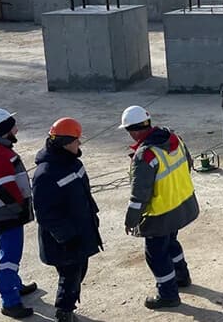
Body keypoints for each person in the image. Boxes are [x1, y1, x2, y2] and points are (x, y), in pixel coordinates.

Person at [119, 105, 199, 310]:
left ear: (134, 131)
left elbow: (139, 196)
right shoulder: (174, 139)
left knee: (156, 254)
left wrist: (131, 220)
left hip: (160, 213)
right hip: (182, 204)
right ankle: (181, 276)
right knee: (171, 242)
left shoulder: (145, 155)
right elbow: (187, 164)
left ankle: (168, 295)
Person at [32, 118, 103, 322]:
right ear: (64, 142)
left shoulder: (74, 163)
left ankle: (67, 306)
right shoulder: (45, 174)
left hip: (81, 231)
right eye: (76, 141)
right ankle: (64, 312)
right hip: (65, 240)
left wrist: (93, 216)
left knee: (79, 271)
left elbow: (85, 194)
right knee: (70, 275)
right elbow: (45, 213)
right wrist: (67, 237)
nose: (79, 144)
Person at [0, 108, 37, 319]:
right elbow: (5, 189)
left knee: (11, 253)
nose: (17, 129)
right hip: (7, 214)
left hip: (6, 213)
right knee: (9, 258)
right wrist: (22, 205)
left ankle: (15, 285)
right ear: (4, 130)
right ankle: (10, 301)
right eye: (13, 126)